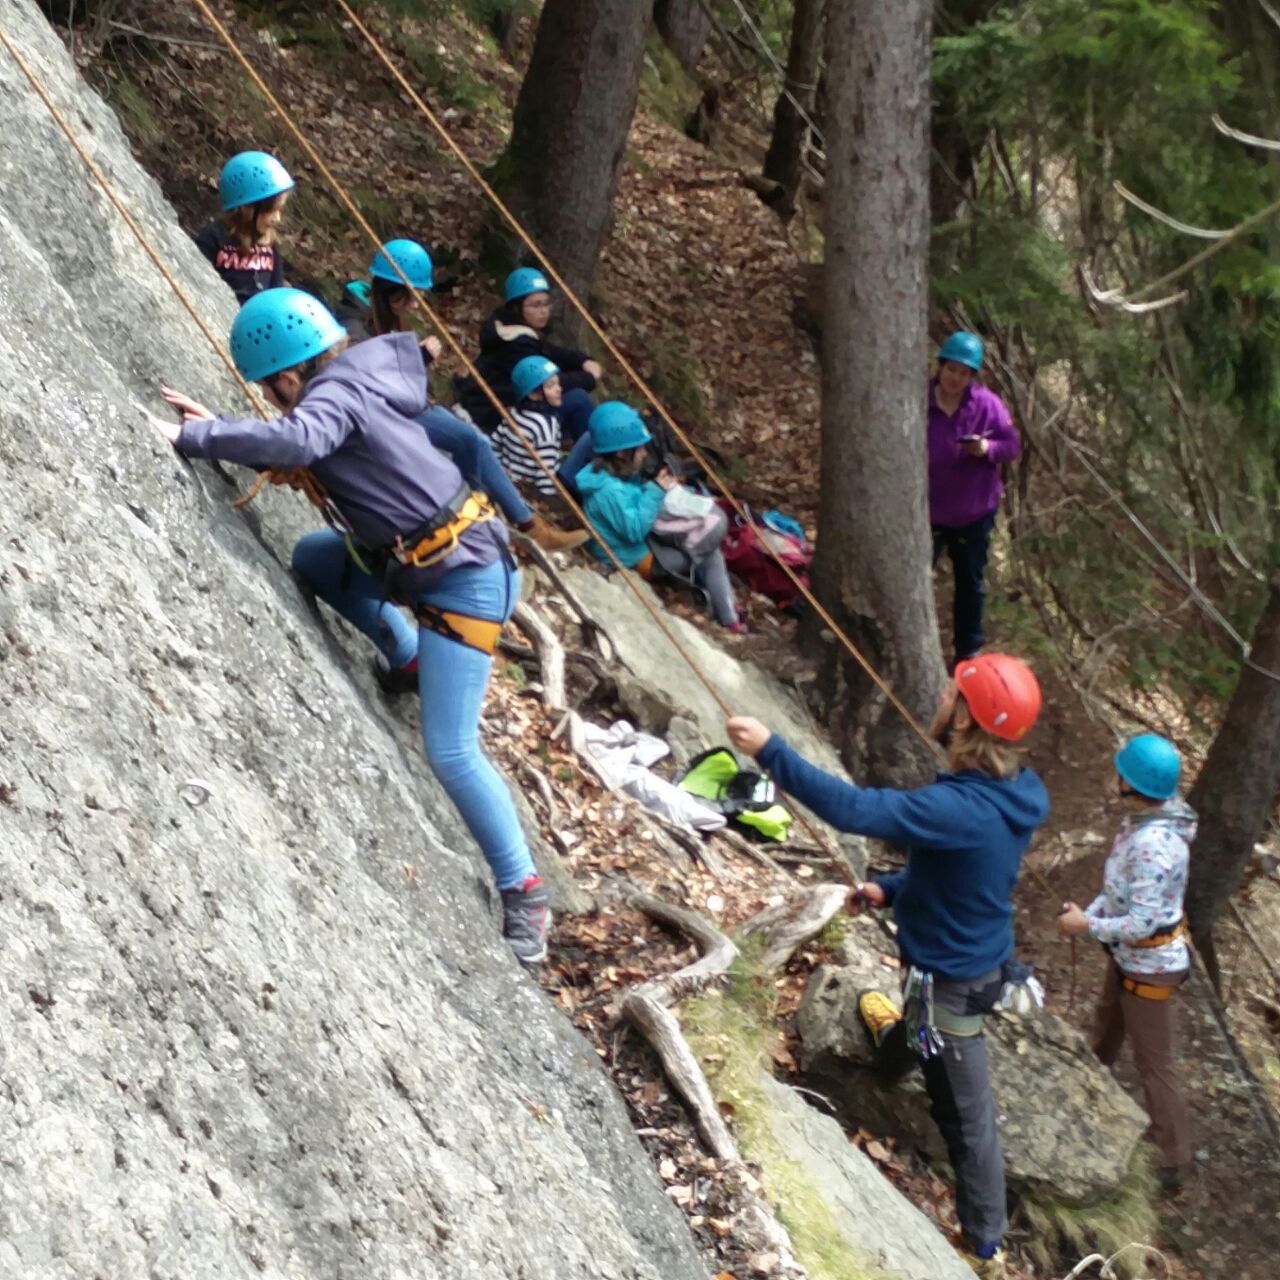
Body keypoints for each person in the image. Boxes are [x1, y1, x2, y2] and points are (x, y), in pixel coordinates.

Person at [145, 288, 551, 965]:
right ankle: (409, 651)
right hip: (424, 560)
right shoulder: (355, 375)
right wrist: (222, 425)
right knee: (314, 559)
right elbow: (313, 446)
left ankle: (525, 890)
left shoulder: (330, 394)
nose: (275, 400)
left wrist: (197, 435)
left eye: (271, 389)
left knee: (450, 749)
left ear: (284, 372)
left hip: (464, 580)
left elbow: (305, 437)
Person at [726, 654, 1049, 1278]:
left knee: (966, 1117)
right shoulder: (1014, 793)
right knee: (912, 1025)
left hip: (950, 983)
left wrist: (773, 750)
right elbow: (964, 871)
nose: (939, 694)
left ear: (965, 721)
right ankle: (896, 1046)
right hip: (962, 954)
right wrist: (895, 889)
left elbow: (854, 811)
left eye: (951, 692)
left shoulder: (961, 807)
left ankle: (986, 1243)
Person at [340, 239, 587, 556]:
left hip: (402, 406)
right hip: (382, 415)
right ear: (392, 290)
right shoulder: (354, 324)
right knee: (470, 442)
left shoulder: (382, 314)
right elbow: (366, 375)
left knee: (472, 441)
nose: (416, 306)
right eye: (412, 297)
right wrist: (420, 358)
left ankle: (509, 522)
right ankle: (522, 526)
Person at [1057, 734, 1194, 1193]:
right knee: (1106, 1025)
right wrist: (1091, 915)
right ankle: (1087, 1085)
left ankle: (1172, 1157)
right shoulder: (1141, 824)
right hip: (1129, 959)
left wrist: (1087, 927)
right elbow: (1121, 894)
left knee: (1155, 1065)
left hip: (1148, 965)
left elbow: (1140, 921)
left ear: (1131, 783)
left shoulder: (1152, 843)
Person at [578, 402, 742, 632]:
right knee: (710, 555)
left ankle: (727, 610)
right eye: (640, 449)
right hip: (635, 558)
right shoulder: (607, 492)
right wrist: (655, 490)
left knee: (709, 551)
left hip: (643, 546)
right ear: (622, 453)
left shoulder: (614, 477)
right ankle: (727, 615)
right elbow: (634, 528)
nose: (645, 454)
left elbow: (633, 500)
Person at [927, 332, 1021, 666]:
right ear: (941, 367)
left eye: (964, 373)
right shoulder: (919, 400)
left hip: (974, 511)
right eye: (952, 370)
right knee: (917, 578)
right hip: (929, 514)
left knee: (970, 584)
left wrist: (986, 449)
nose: (956, 379)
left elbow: (1011, 446)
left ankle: (967, 656)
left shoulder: (986, 405)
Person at [454, 267, 601, 442]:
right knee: (578, 400)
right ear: (517, 307)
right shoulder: (515, 344)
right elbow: (547, 383)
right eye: (535, 305)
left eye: (546, 304)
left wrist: (583, 361)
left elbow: (549, 351)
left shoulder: (517, 332)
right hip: (497, 415)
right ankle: (591, 463)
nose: (544, 311)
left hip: (507, 406)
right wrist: (588, 378)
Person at [195, 151, 293, 306]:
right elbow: (195, 282)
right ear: (247, 207)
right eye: (270, 210)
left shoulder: (270, 245)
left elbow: (276, 292)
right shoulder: (214, 237)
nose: (277, 218)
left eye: (279, 210)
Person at [492, 356, 566, 499]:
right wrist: (549, 501)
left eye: (558, 383)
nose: (559, 389)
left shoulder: (514, 413)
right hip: (529, 490)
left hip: (507, 480)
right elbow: (546, 475)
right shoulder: (546, 426)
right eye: (551, 386)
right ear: (533, 394)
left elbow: (495, 444)